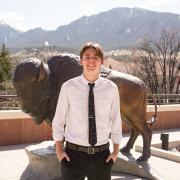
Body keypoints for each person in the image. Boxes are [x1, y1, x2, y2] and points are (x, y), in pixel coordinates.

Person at [52, 42, 122, 180]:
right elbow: (59, 119)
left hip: (102, 157)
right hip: (73, 155)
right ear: (81, 60)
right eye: (87, 56)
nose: (91, 60)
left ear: (101, 61)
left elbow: (116, 120)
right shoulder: (68, 87)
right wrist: (59, 150)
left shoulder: (111, 88)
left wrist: (115, 151)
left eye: (95, 57)